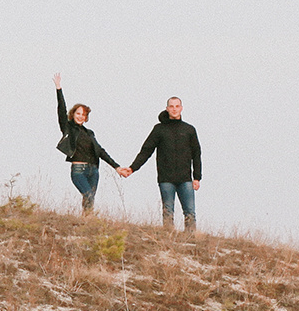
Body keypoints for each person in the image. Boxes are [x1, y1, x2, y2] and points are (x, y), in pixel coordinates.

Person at [120, 95, 203, 230]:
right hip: (166, 179)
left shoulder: (189, 130)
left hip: (185, 179)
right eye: (171, 106)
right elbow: (146, 150)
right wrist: (132, 168)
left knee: (190, 213)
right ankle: (168, 240)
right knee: (168, 212)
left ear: (181, 108)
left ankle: (191, 242)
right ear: (167, 109)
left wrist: (197, 177)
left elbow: (197, 154)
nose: (174, 109)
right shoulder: (159, 129)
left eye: (177, 106)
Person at [53, 73, 121, 215]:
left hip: (93, 171)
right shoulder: (68, 128)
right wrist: (59, 89)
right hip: (79, 170)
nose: (80, 116)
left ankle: (86, 222)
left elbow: (101, 151)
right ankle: (87, 220)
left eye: (83, 115)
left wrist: (117, 167)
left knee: (90, 200)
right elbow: (61, 111)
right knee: (88, 195)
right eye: (78, 113)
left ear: (86, 118)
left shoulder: (90, 133)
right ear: (73, 114)